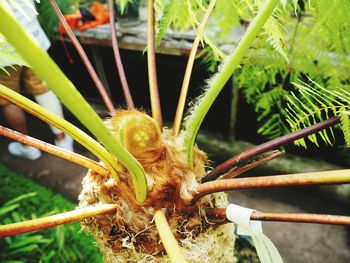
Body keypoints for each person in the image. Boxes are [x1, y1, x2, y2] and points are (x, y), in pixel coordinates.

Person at [0, 0, 73, 160]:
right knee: (42, 88)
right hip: (30, 35)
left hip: (3, 48)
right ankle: (62, 140)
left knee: (8, 99)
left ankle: (27, 146)